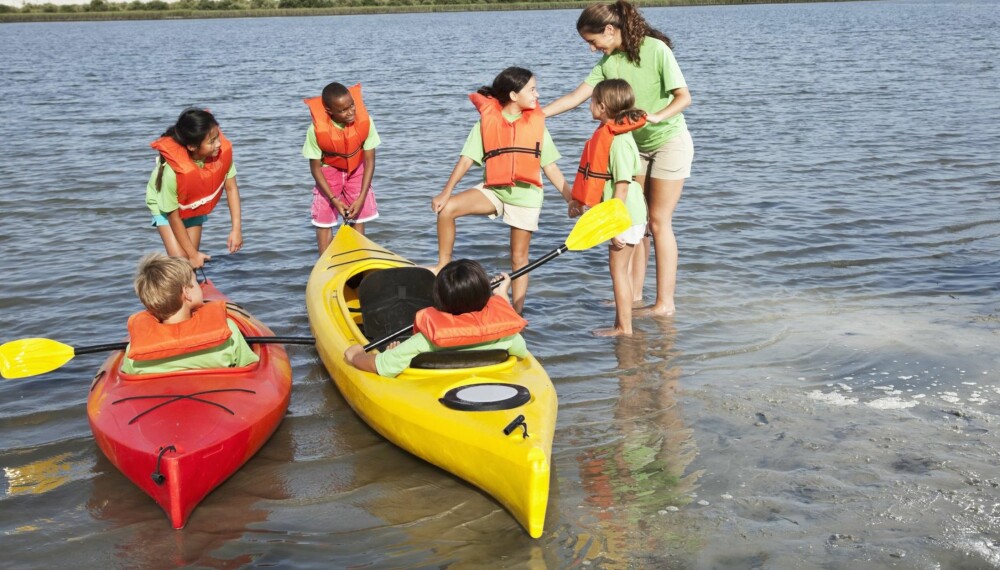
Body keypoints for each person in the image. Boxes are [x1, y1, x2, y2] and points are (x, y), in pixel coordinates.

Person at [544, 0, 693, 317]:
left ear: (609, 30)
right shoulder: (607, 63)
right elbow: (574, 98)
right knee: (635, 221)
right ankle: (635, 296)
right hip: (631, 148)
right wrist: (536, 116)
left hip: (669, 141)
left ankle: (665, 304)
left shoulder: (656, 50)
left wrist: (656, 117)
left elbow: (684, 97)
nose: (591, 48)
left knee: (658, 221)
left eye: (591, 40)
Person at [430, 67, 573, 314]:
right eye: (532, 90)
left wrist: (571, 199)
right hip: (495, 190)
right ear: (514, 95)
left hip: (525, 196)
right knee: (448, 209)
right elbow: (466, 159)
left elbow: (550, 167)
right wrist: (446, 192)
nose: (537, 95)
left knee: (518, 258)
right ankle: (443, 264)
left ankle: (517, 313)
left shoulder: (536, 124)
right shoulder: (488, 121)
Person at [344, 260, 529, 378]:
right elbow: (521, 351)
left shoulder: (425, 341)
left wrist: (356, 356)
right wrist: (502, 296)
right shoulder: (507, 337)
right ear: (486, 298)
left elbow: (382, 366)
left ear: (437, 299)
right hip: (481, 380)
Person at [570, 79, 648, 337]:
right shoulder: (611, 135)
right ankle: (622, 324)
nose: (589, 106)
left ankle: (623, 328)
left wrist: (616, 227)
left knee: (618, 272)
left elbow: (623, 187)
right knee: (619, 271)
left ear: (602, 107)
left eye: (591, 102)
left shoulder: (619, 141)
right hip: (625, 214)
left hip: (626, 215)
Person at [121, 253, 259, 375]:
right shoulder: (228, 329)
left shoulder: (135, 347)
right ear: (187, 292)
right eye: (195, 281)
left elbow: (127, 377)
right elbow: (249, 366)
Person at [147, 108, 244, 269]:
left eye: (217, 137)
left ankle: (192, 283)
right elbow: (173, 217)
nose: (219, 144)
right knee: (182, 262)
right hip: (166, 208)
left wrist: (236, 229)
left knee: (193, 266)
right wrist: (192, 255)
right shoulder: (172, 173)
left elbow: (232, 188)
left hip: (193, 204)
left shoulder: (220, 155)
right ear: (192, 146)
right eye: (212, 141)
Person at [303, 82, 381, 254]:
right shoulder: (315, 131)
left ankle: (358, 256)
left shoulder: (366, 122)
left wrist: (361, 197)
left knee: (358, 216)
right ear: (330, 111)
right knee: (324, 222)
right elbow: (315, 168)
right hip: (328, 173)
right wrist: (333, 199)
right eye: (343, 110)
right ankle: (325, 264)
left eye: (352, 105)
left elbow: (370, 160)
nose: (351, 111)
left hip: (357, 170)